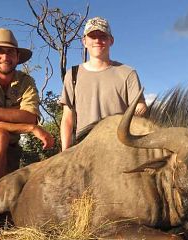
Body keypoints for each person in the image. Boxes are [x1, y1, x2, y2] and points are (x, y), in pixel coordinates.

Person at [59, 16, 147, 151]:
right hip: (82, 150)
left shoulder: (128, 73)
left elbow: (140, 109)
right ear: (84, 41)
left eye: (103, 36)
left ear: (111, 41)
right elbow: (67, 118)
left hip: (118, 149)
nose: (97, 41)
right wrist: (64, 153)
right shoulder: (72, 75)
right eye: (92, 37)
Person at [0, 28, 54, 195]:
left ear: (17, 57)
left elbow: (30, 117)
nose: (5, 57)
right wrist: (30, 129)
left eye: (10, 52)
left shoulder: (26, 81)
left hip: (10, 151)